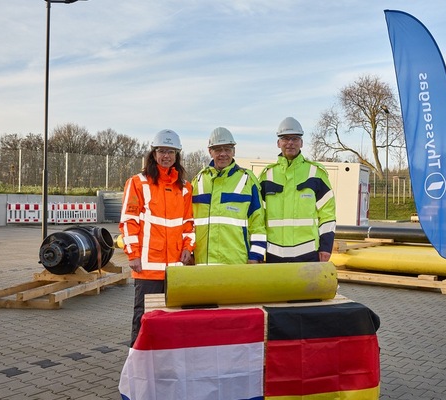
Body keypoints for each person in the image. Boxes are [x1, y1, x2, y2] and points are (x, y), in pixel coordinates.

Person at [119, 129, 194, 346]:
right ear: (153, 154)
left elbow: (189, 223)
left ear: (176, 155)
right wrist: (132, 254)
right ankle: (139, 362)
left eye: (171, 151)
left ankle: (167, 361)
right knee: (144, 318)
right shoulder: (138, 183)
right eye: (161, 151)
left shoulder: (185, 188)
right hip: (147, 267)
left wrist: (189, 247)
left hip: (175, 268)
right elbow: (128, 221)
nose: (166, 156)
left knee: (172, 318)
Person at [259, 117, 336, 263]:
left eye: (295, 138)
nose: (290, 143)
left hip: (308, 253)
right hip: (273, 254)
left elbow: (328, 215)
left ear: (301, 143)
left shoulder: (316, 174)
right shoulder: (266, 176)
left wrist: (326, 247)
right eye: (285, 138)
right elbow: (257, 217)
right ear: (278, 143)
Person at [191, 127, 266, 265]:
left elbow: (258, 223)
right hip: (202, 264)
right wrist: (189, 252)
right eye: (218, 149)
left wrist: (255, 255)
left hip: (237, 264)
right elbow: (189, 222)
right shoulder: (198, 181)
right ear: (210, 151)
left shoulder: (247, 180)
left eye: (227, 149)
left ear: (234, 151)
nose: (223, 154)